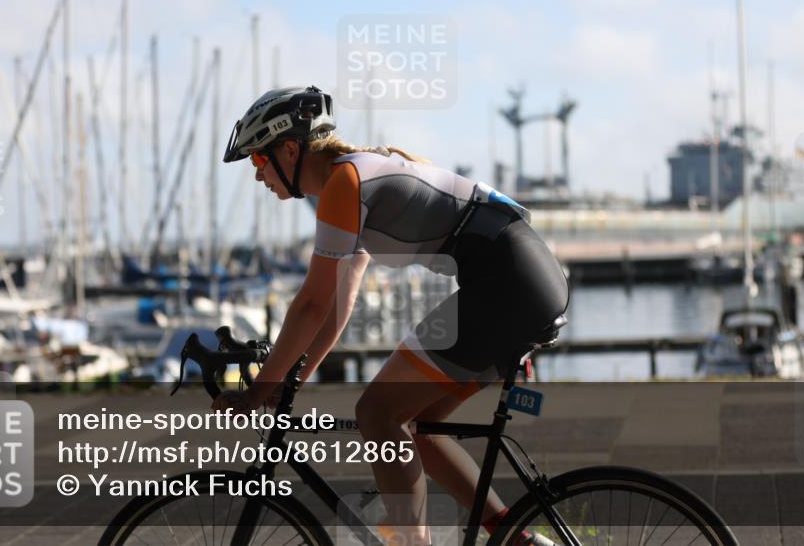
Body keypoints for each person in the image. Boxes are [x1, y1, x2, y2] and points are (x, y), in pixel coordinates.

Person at [212, 86, 568, 546]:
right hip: (520, 279)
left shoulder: (346, 183)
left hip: (508, 281)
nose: (258, 174)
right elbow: (337, 305)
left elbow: (312, 303)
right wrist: (291, 382)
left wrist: (259, 390)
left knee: (377, 412)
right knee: (417, 427)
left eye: (260, 159)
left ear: (291, 150)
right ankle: (516, 538)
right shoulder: (351, 181)